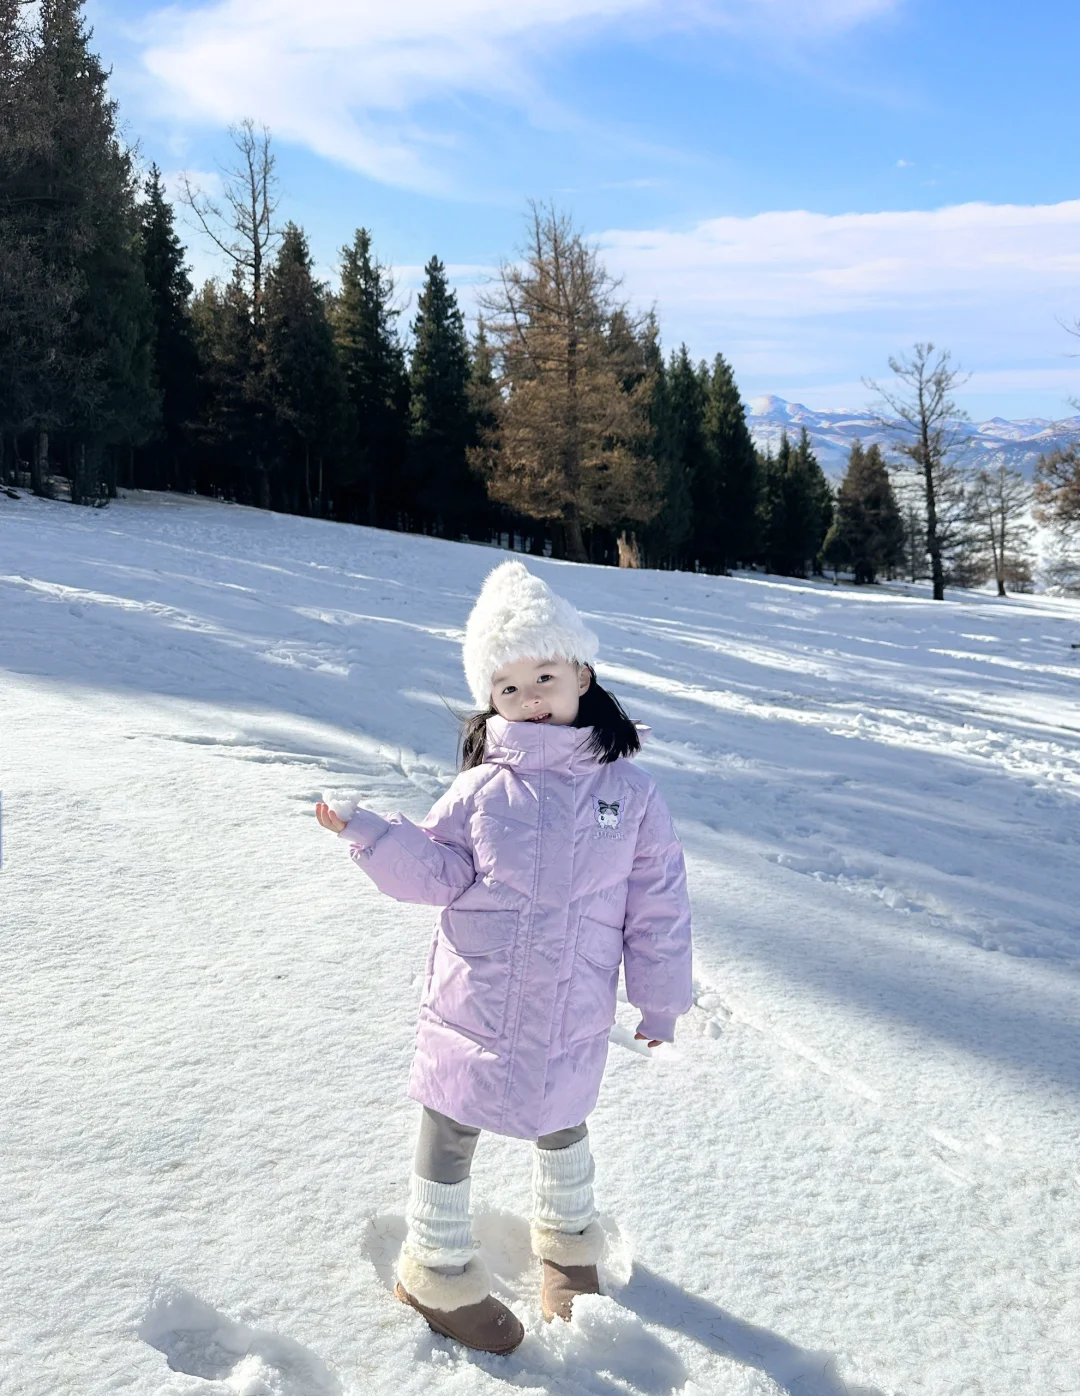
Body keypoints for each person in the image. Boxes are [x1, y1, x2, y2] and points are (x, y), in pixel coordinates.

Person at [315, 560, 693, 1355]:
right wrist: (371, 834)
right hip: (474, 1000)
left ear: (582, 676)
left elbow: (655, 907)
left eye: (545, 677)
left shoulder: (630, 793)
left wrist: (660, 1003)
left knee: (563, 1120)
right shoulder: (482, 790)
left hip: (571, 1001)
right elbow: (438, 871)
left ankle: (569, 1244)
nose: (530, 699)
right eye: (509, 687)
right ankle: (437, 1269)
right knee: (450, 1123)